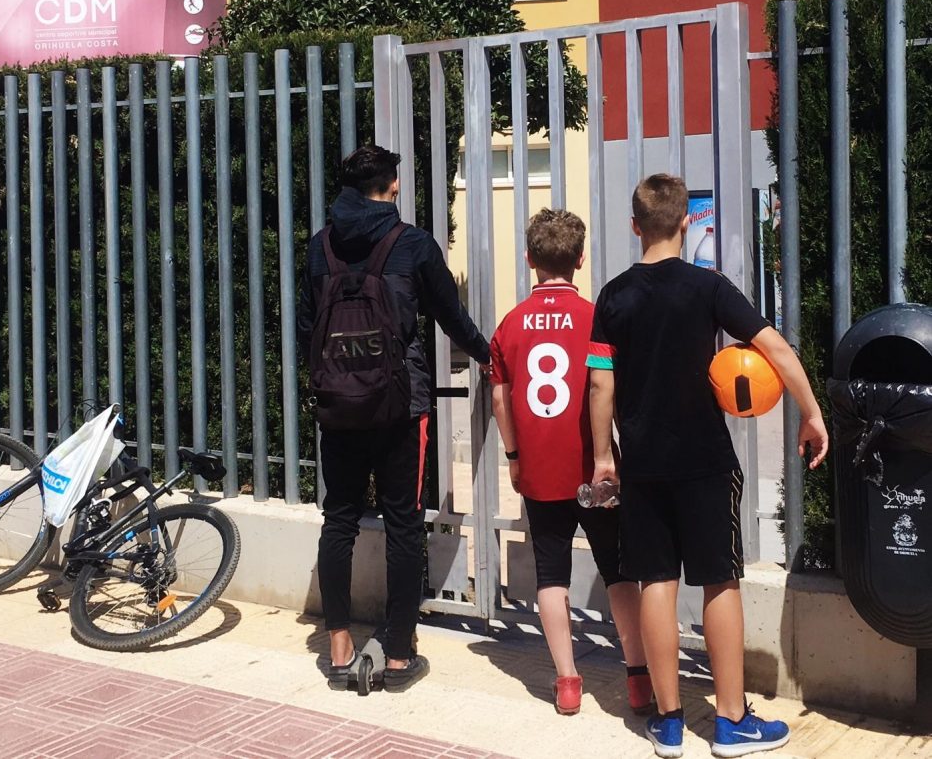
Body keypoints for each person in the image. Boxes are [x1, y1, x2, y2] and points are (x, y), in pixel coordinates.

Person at [587, 174, 829, 758]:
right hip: (703, 462)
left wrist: (602, 456)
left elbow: (600, 383)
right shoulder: (708, 288)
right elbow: (775, 347)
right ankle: (731, 720)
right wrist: (812, 413)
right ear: (687, 222)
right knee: (718, 579)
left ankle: (668, 724)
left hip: (641, 463)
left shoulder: (613, 295)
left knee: (656, 582)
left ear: (634, 225)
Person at [297, 144, 491, 691]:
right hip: (401, 407)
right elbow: (450, 316)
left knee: (339, 519)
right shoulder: (412, 245)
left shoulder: (319, 248)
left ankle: (338, 647)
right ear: (393, 185)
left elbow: (308, 326)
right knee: (404, 521)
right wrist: (485, 354)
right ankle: (401, 653)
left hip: (337, 405)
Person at [490, 208, 652, 717]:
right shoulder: (595, 318)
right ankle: (638, 676)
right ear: (581, 259)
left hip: (539, 467)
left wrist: (514, 456)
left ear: (529, 259)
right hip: (594, 466)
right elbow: (613, 388)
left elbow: (500, 398)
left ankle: (566, 681)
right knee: (618, 569)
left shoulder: (510, 324)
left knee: (550, 572)